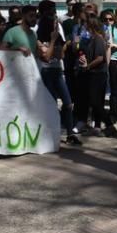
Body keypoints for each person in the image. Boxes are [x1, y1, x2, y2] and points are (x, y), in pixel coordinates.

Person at [37, 12, 79, 145]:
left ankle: (70, 132)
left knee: (67, 103)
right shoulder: (38, 39)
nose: (57, 25)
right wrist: (53, 42)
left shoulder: (58, 37)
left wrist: (58, 44)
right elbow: (46, 57)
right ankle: (52, 132)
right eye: (54, 23)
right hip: (46, 72)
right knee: (52, 103)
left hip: (57, 71)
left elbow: (60, 55)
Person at [74, 14, 115, 137]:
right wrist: (79, 51)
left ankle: (106, 124)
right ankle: (88, 122)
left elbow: (100, 57)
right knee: (89, 100)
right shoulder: (85, 34)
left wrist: (88, 66)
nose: (84, 25)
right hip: (90, 72)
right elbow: (78, 48)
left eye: (86, 23)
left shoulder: (98, 38)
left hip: (96, 73)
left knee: (96, 101)